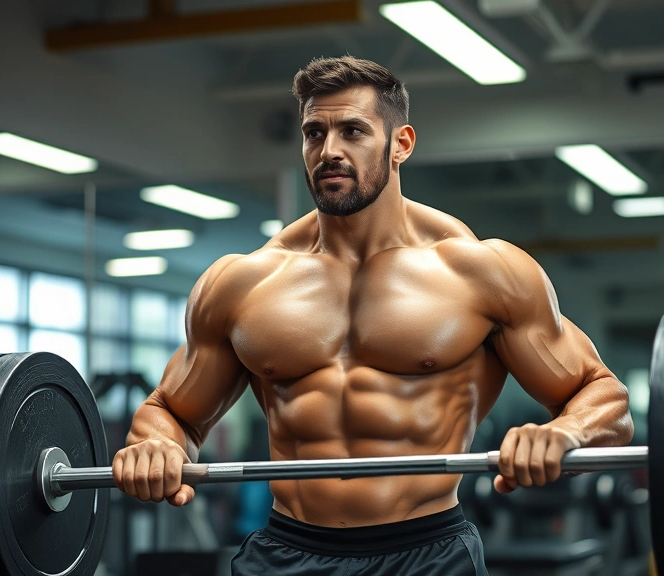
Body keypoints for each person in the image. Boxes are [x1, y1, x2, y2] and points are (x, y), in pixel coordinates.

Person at [112, 56, 634, 575]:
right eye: (314, 133)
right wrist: (156, 445)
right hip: (287, 552)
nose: (329, 151)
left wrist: (564, 434)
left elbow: (603, 396)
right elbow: (171, 411)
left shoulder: (480, 272)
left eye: (353, 131)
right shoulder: (243, 283)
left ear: (401, 143)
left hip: (426, 554)